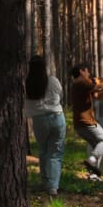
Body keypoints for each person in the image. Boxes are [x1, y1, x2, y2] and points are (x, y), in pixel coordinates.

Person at [70, 64, 103, 177]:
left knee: (98, 147)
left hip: (80, 124)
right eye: (87, 71)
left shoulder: (78, 85)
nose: (89, 74)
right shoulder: (81, 82)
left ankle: (94, 174)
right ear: (81, 71)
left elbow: (97, 96)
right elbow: (98, 88)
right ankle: (91, 161)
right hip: (86, 122)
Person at [25, 55, 66, 196]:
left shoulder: (27, 84)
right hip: (57, 117)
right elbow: (60, 95)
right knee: (55, 152)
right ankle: (53, 187)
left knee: (43, 151)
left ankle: (46, 182)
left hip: (39, 120)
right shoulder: (52, 81)